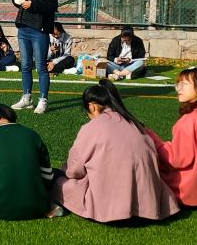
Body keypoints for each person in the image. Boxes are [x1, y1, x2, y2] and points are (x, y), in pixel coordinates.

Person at [52, 81, 180, 223]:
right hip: (149, 204)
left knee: (59, 182)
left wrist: (65, 172)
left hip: (110, 208)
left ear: (92, 106)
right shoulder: (135, 124)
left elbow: (74, 171)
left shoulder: (92, 127)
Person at [145, 68, 197, 207]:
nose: (178, 88)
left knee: (144, 161)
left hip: (186, 194)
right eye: (178, 84)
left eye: (184, 84)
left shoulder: (189, 121)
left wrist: (152, 139)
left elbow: (176, 159)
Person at [9, 0, 58, 115]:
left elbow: (52, 6)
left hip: (39, 29)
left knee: (41, 66)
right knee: (25, 65)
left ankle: (43, 100)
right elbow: (21, 4)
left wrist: (33, 4)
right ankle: (27, 97)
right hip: (23, 27)